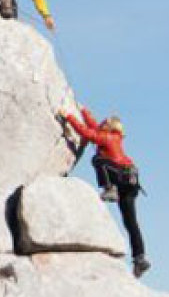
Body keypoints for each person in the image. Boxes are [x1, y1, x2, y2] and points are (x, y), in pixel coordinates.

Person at [60, 105, 151, 278]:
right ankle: (140, 258)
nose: (101, 123)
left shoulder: (107, 138)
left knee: (98, 159)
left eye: (104, 123)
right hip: (131, 183)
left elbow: (87, 133)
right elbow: (94, 128)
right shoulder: (113, 137)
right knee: (131, 222)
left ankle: (109, 188)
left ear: (108, 127)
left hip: (120, 178)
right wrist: (84, 111)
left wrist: (69, 116)